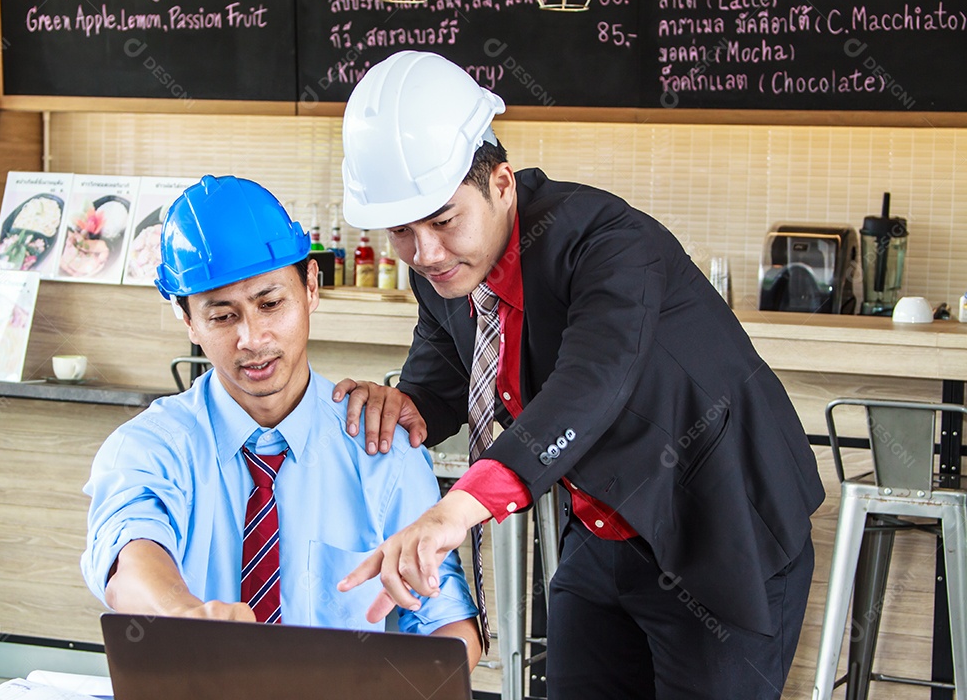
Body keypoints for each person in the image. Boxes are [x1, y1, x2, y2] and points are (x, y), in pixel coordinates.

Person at [334, 51, 825, 699]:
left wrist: (457, 510)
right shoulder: (447, 274)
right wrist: (403, 406)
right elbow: (445, 373)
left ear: (501, 183)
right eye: (402, 231)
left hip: (721, 534)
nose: (425, 253)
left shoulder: (608, 244)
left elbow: (593, 384)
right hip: (602, 534)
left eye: (444, 220)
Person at [81, 174, 481, 668]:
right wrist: (182, 613)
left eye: (271, 304)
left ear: (311, 287)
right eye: (222, 316)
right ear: (187, 320)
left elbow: (447, 624)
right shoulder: (149, 447)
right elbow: (130, 551)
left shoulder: (381, 448)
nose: (253, 337)